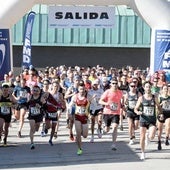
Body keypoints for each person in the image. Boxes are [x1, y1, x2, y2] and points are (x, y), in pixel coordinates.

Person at [134, 81, 162, 160]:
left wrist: (160, 113)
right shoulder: (141, 98)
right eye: (146, 87)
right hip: (143, 119)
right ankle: (143, 152)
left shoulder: (154, 97)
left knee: (152, 136)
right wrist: (137, 112)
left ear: (151, 88)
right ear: (144, 88)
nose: (148, 88)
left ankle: (148, 136)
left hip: (152, 120)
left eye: (149, 87)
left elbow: (159, 107)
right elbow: (135, 108)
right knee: (141, 137)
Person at [99, 77, 124, 150]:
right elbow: (100, 101)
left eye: (116, 83)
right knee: (107, 129)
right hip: (107, 112)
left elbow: (121, 101)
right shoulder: (107, 92)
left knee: (115, 127)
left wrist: (123, 106)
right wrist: (107, 103)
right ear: (110, 84)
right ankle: (103, 129)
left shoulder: (120, 92)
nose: (115, 85)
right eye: (113, 83)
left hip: (116, 113)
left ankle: (113, 144)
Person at [69, 82, 91, 155]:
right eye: (80, 89)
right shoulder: (75, 97)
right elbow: (70, 105)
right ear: (78, 89)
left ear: (85, 89)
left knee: (85, 135)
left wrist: (91, 113)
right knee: (78, 133)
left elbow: (93, 105)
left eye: (83, 89)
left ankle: (79, 136)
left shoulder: (88, 97)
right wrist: (70, 113)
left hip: (85, 117)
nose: (82, 90)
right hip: (77, 116)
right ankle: (79, 148)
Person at [157, 84, 170, 150]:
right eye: (164, 89)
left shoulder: (169, 97)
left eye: (167, 89)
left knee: (168, 126)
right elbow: (157, 106)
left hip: (168, 113)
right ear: (162, 90)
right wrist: (162, 103)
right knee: (160, 129)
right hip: (161, 114)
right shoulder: (160, 97)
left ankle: (166, 138)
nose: (166, 90)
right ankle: (159, 141)